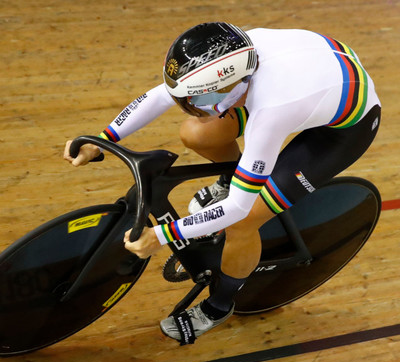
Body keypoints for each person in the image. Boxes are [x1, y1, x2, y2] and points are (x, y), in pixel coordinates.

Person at [64, 22, 381, 345]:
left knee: (243, 222)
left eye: (195, 100)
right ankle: (232, 179)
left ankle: (220, 304)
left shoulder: (271, 112)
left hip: (342, 129)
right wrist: (103, 139)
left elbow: (237, 208)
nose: (189, 107)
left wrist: (161, 235)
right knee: (197, 132)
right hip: (313, 79)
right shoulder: (230, 55)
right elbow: (160, 96)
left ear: (229, 86)